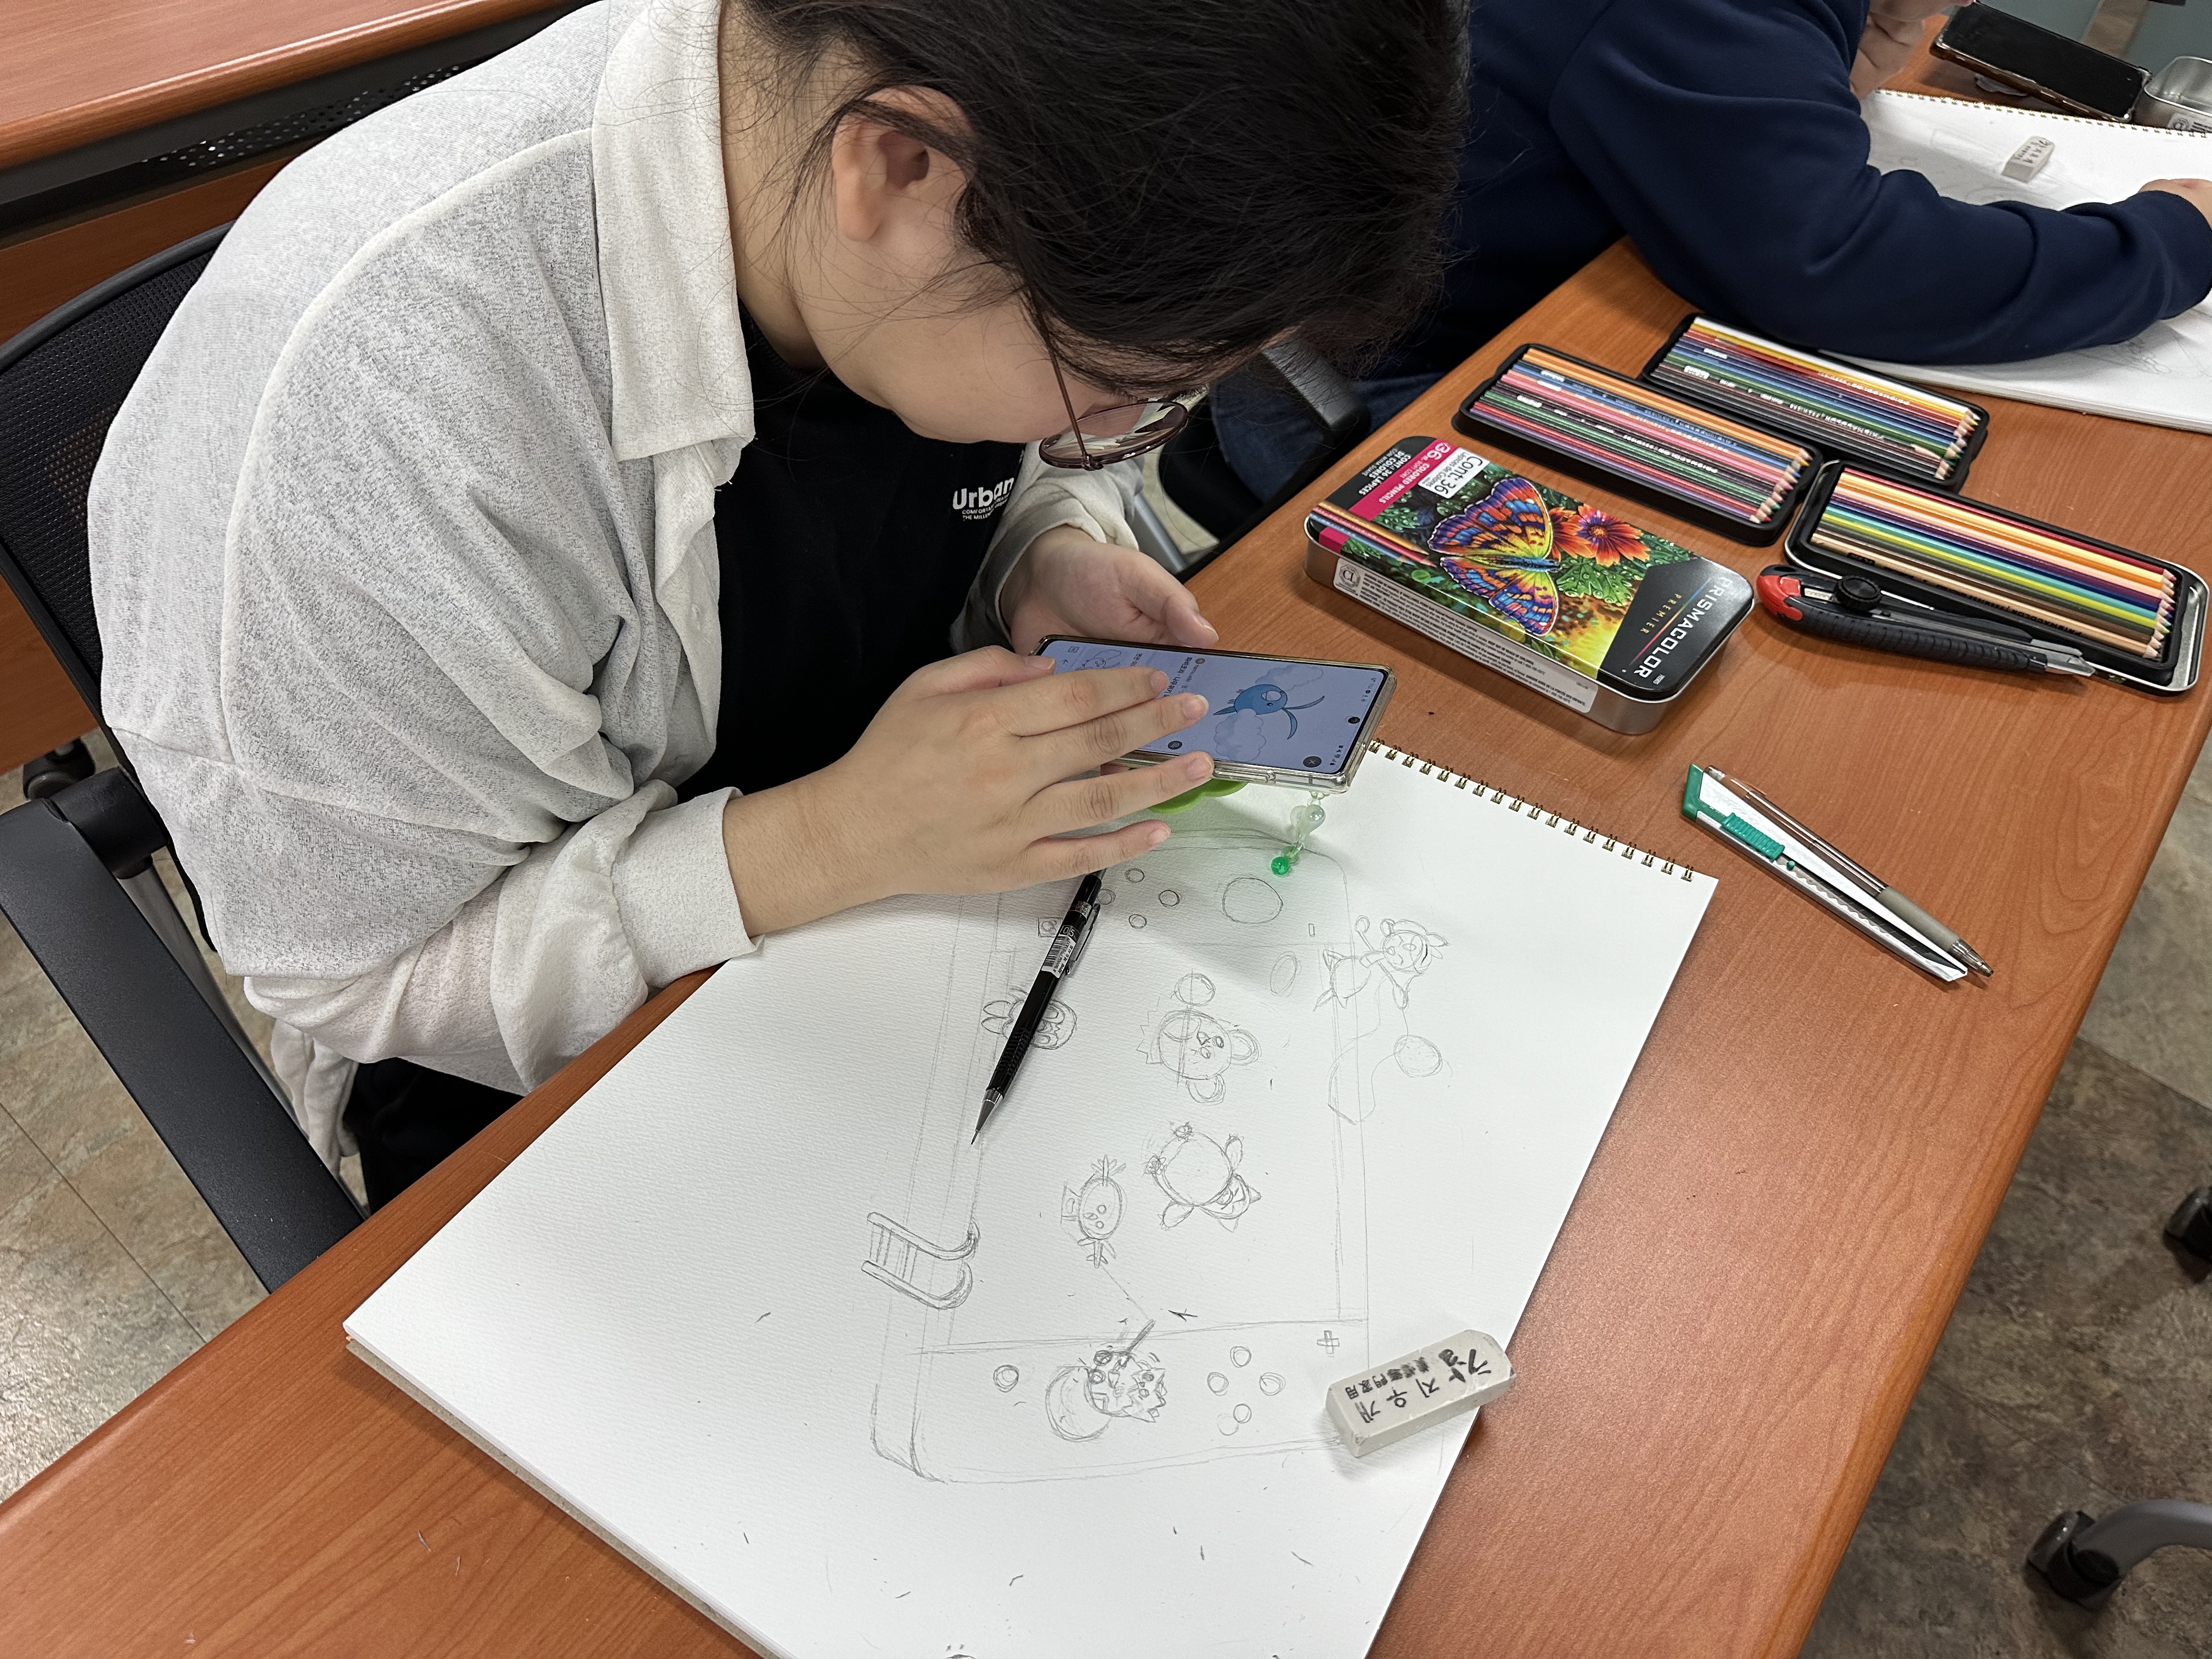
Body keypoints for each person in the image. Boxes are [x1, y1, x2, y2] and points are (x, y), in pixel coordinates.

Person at [88, 0, 1468, 1205]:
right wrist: (834, 838)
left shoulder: (874, 171)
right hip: (534, 1074)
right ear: (902, 167)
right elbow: (376, 976)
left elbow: (993, 441)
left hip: (895, 890)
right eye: (1125, 389)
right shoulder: (386, 412)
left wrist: (1040, 543)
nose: (1126, 434)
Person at [1215, 0, 2212, 501]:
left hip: (1427, 299)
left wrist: (1829, 48)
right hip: (1391, 388)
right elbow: (1833, 259)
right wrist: (2173, 237)